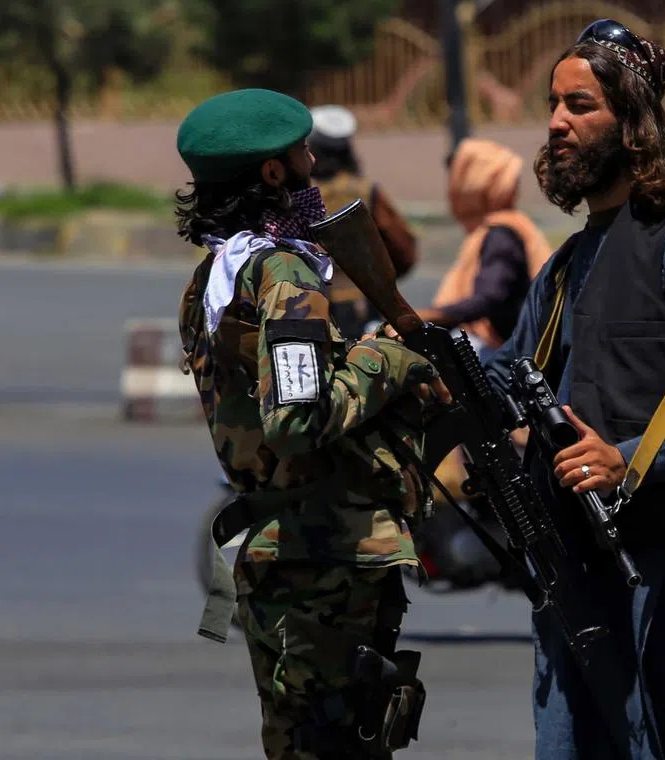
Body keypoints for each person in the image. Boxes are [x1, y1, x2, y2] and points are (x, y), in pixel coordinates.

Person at [484, 20, 665, 760]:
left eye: (579, 105)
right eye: (553, 104)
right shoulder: (569, 261)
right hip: (577, 563)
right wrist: (414, 355)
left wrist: (629, 460)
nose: (555, 123)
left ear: (631, 120)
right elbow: (511, 379)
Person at [174, 88, 448, 760]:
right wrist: (391, 358)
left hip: (285, 552)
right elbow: (298, 418)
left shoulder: (217, 274)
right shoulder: (285, 272)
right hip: (323, 559)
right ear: (273, 173)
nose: (314, 162)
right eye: (302, 153)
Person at [416, 137, 554, 363]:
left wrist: (431, 316)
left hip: (503, 352)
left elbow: (489, 297)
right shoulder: (503, 227)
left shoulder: (501, 235)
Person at [308, 104, 419, 338]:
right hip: (363, 303)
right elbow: (402, 247)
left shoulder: (303, 193)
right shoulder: (367, 191)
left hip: (313, 301)